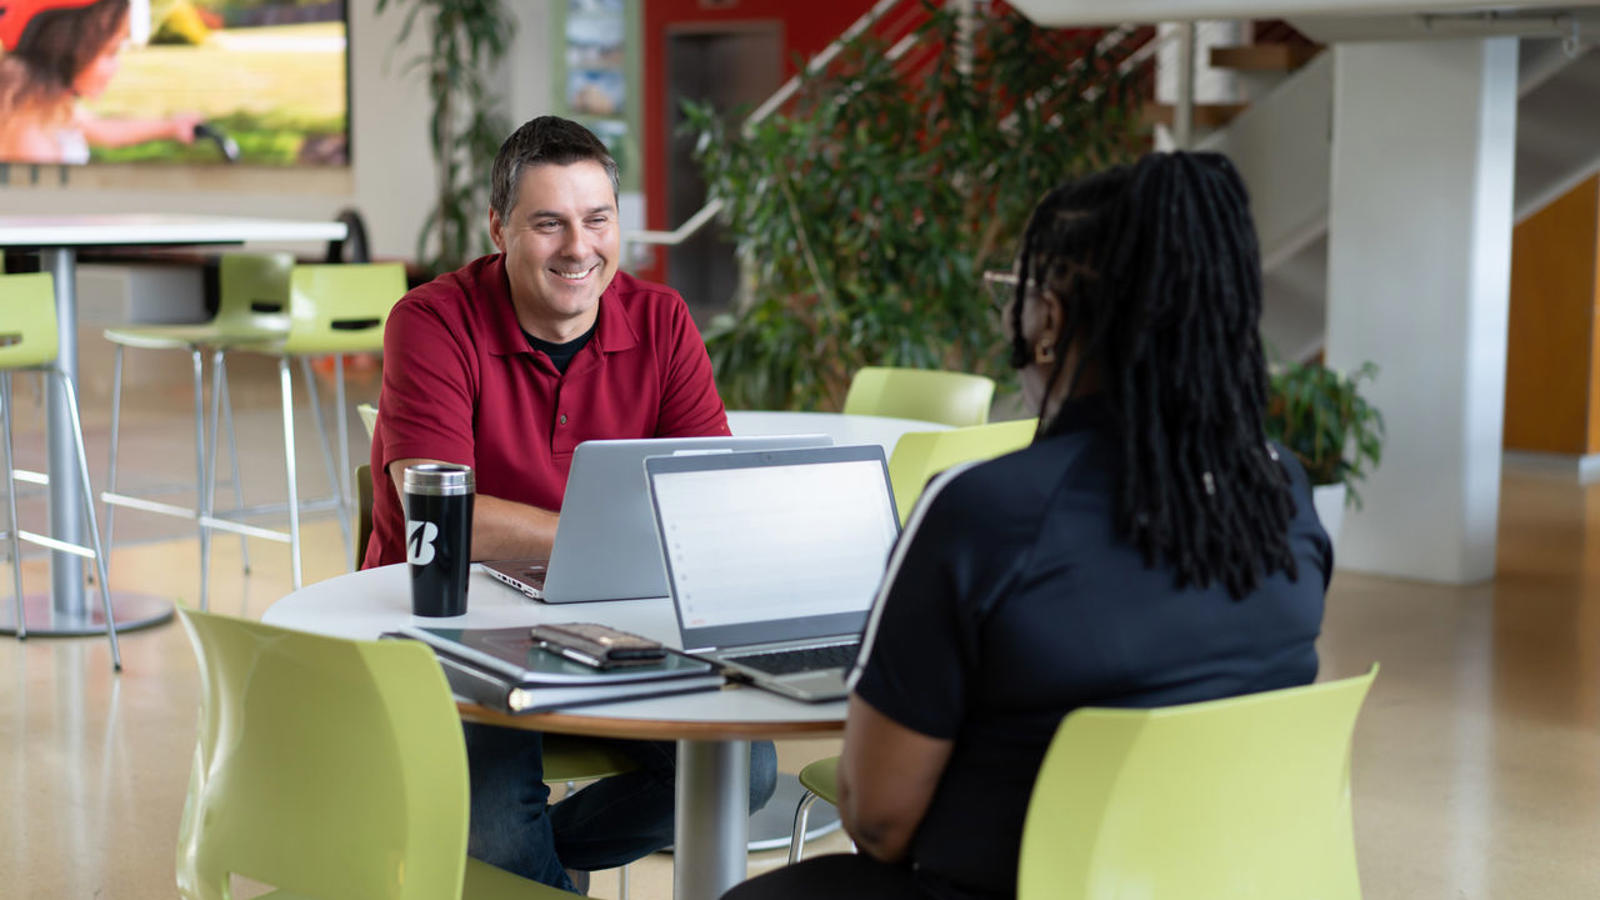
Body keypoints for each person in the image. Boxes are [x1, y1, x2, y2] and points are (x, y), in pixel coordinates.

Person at [723, 152, 1332, 900]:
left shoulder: (982, 512)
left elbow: (878, 822)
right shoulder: (1283, 493)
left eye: (1018, 291)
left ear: (1050, 319)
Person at [367, 115, 775, 893]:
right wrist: (598, 538)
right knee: (492, 811)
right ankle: (505, 857)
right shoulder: (430, 322)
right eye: (548, 223)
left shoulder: (660, 321)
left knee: (744, 772)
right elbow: (440, 522)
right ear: (500, 228)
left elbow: (709, 502)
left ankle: (520, 866)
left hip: (604, 621)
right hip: (445, 627)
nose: (579, 248)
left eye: (597, 220)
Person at [0, 0, 199, 164]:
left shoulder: (39, 103)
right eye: (111, 52)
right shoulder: (27, 133)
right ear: (67, 48)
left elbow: (104, 129)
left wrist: (172, 126)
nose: (117, 66)